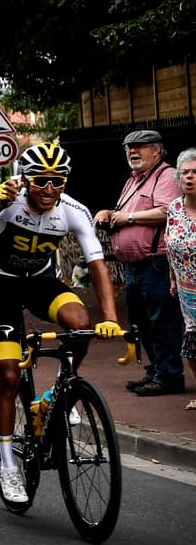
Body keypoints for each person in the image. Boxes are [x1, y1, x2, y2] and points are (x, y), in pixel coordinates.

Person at [0, 144, 122, 502]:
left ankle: (56, 396)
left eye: (58, 181)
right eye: (41, 181)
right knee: (8, 374)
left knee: (82, 323)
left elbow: (97, 264)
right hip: (0, 285)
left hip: (39, 281)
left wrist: (111, 318)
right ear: (26, 180)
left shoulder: (73, 210)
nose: (49, 189)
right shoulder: (12, 202)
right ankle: (9, 465)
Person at [94, 129, 183, 396]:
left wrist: (128, 218)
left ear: (156, 150)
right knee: (142, 321)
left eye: (140, 146)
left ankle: (169, 376)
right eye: (128, 147)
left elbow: (168, 211)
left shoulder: (166, 176)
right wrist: (109, 213)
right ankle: (154, 372)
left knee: (161, 321)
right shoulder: (134, 180)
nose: (133, 151)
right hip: (134, 267)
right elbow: (123, 213)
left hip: (155, 262)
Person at [164, 148, 196, 409]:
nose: (190, 177)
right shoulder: (174, 208)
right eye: (185, 172)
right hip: (187, 290)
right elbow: (169, 245)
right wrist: (172, 280)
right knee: (192, 343)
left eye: (195, 173)